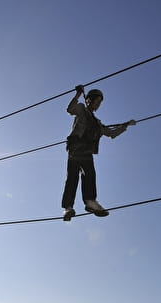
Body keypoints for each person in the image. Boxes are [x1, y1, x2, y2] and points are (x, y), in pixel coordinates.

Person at [62, 85, 136, 221]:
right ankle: (68, 207)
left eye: (100, 102)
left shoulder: (97, 123)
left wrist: (126, 125)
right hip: (75, 147)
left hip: (87, 151)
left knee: (90, 174)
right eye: (97, 101)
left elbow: (111, 133)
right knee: (73, 177)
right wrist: (78, 94)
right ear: (89, 100)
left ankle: (90, 201)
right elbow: (70, 109)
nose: (98, 104)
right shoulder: (82, 109)